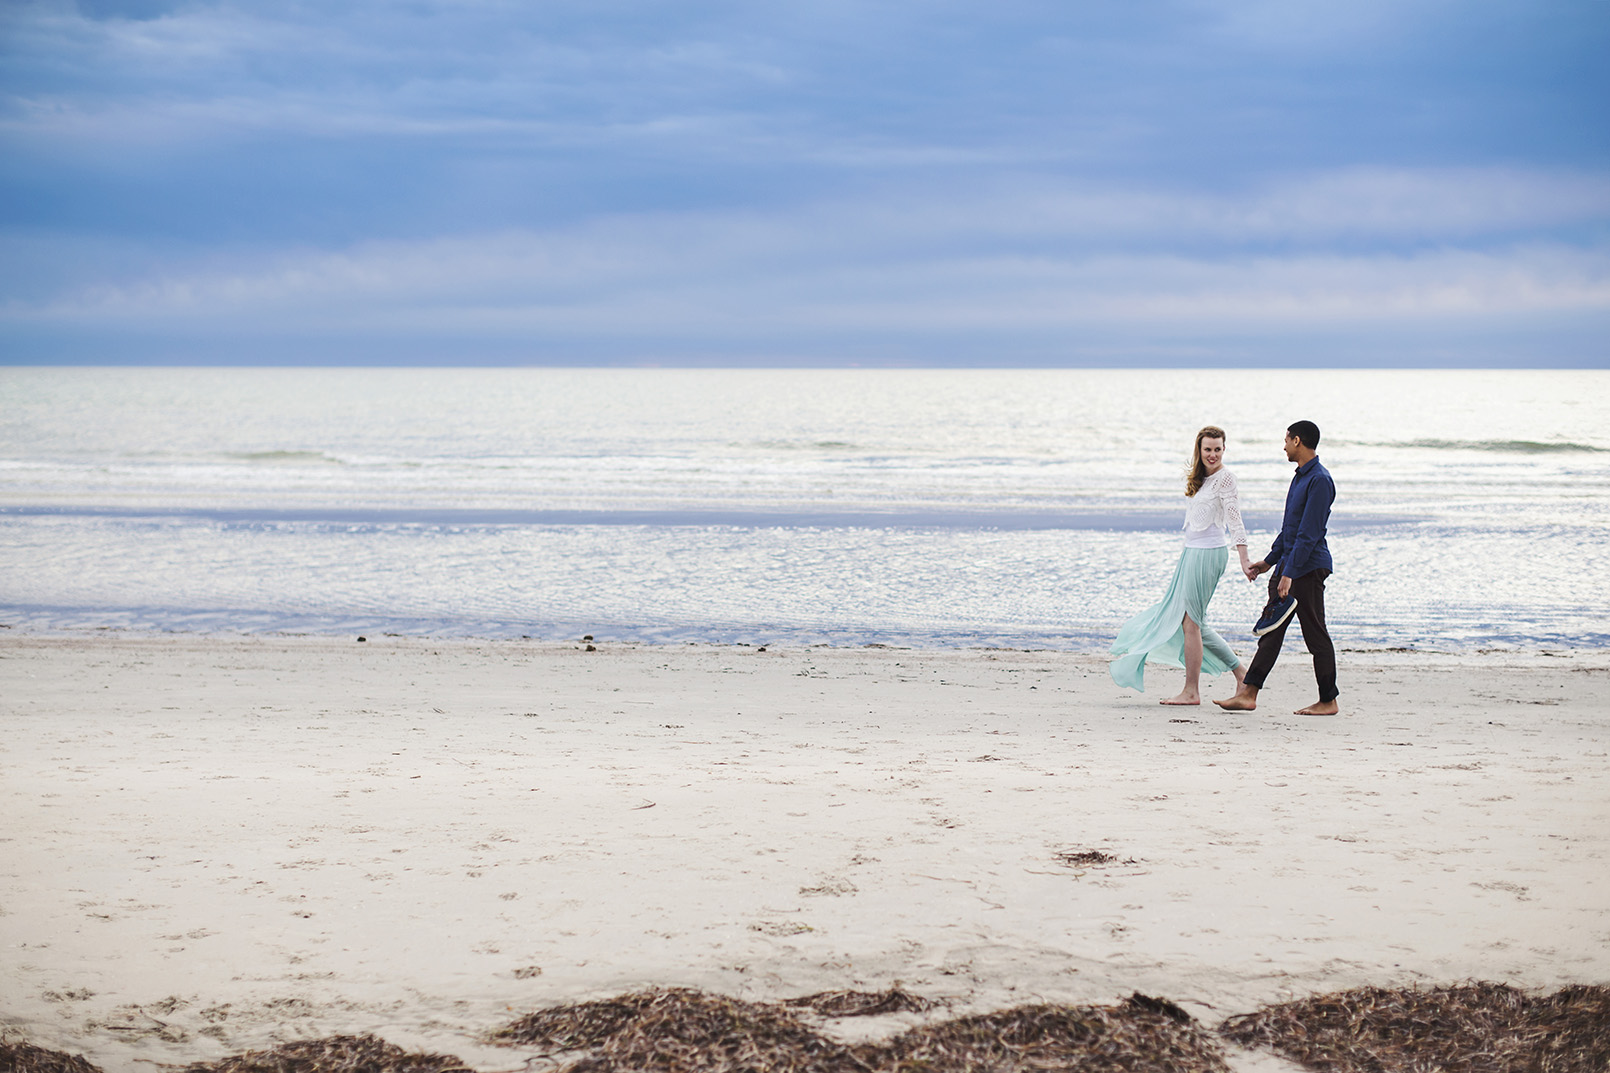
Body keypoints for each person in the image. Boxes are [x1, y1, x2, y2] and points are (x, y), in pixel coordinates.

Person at [1109, 426, 1250, 704]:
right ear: (1199, 449)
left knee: (1191, 622)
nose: (1213, 454)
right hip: (1191, 553)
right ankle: (1243, 675)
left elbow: (1235, 520)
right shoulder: (1201, 479)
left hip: (1208, 554)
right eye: (1208, 449)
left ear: (1224, 449)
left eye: (1218, 449)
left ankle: (1192, 691)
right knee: (1191, 622)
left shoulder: (1226, 479)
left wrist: (1244, 558)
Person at [1215, 420, 1339, 716]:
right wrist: (1269, 562)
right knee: (1272, 630)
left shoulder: (1319, 480)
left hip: (1307, 569)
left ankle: (1328, 700)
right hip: (1291, 565)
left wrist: (1288, 575)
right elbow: (1290, 530)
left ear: (1298, 440)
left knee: (1315, 635)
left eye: (1286, 440)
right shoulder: (1300, 477)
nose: (1283, 446)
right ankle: (1249, 693)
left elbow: (1309, 535)